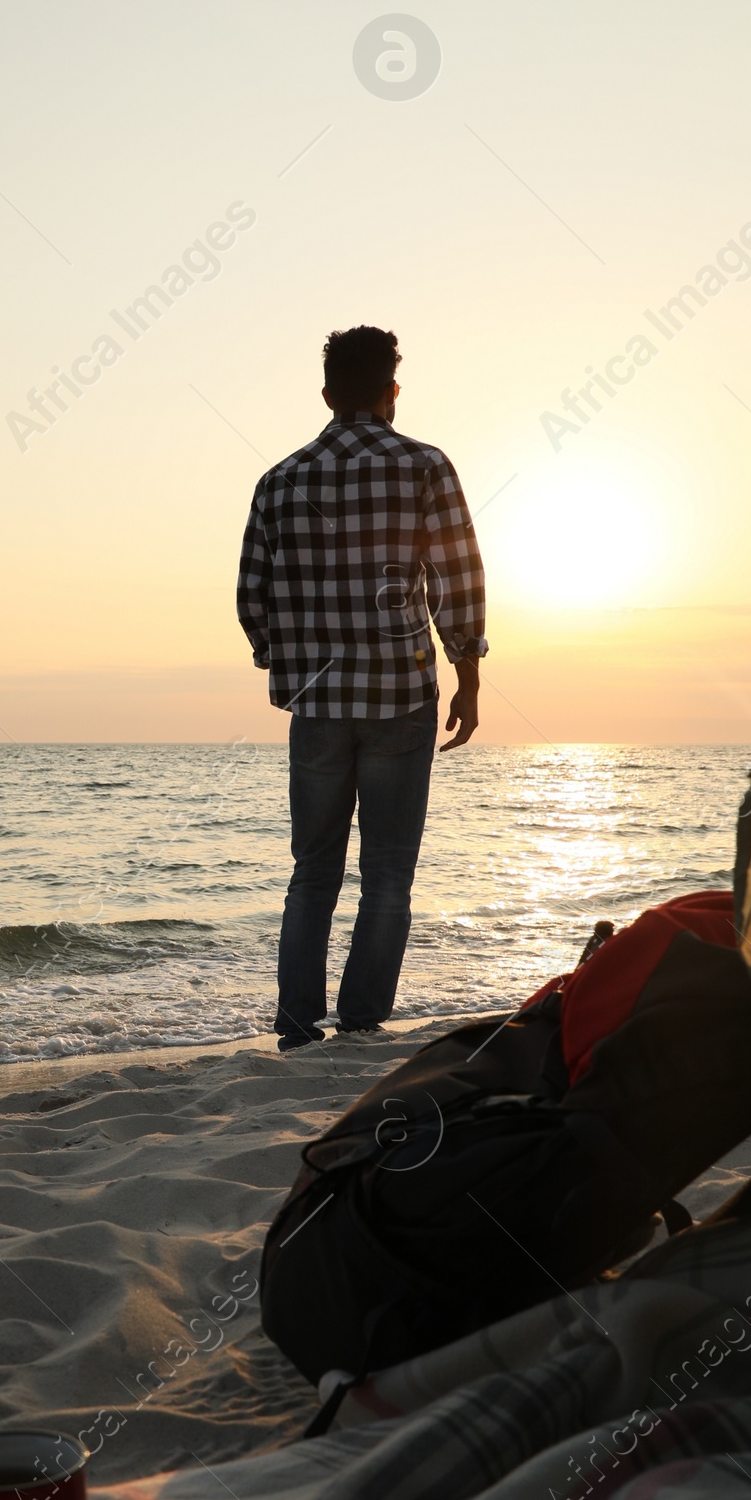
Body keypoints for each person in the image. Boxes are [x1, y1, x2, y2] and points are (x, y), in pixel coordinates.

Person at [236, 324, 488, 1051]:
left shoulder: (280, 480)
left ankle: (296, 1027)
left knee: (313, 871)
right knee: (387, 876)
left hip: (316, 703)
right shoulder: (423, 466)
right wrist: (467, 672)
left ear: (326, 394)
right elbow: (458, 577)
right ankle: (361, 1022)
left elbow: (252, 595)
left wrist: (284, 661)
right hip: (400, 697)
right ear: (392, 392)